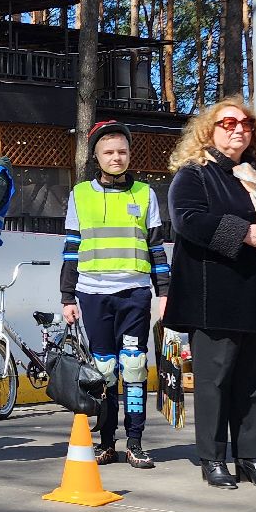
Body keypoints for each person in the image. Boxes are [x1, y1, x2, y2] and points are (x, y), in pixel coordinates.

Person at [164, 96, 256, 490]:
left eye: (245, 124)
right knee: (214, 381)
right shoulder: (194, 174)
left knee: (254, 382)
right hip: (214, 296)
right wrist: (245, 233)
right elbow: (188, 220)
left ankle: (252, 459)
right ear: (209, 131)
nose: (239, 129)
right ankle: (212, 459)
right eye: (228, 123)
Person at [60, 120, 172, 469]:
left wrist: (165, 293)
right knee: (104, 371)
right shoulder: (80, 194)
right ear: (96, 157)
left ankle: (135, 442)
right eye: (108, 152)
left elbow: (157, 248)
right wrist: (67, 297)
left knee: (134, 368)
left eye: (122, 151)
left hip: (134, 293)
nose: (116, 157)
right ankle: (107, 442)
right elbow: (71, 248)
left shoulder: (145, 194)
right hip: (93, 294)